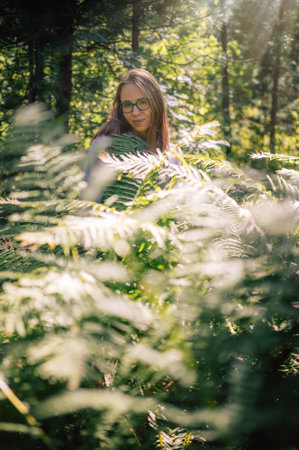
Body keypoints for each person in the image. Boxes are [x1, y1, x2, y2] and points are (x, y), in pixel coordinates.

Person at [83, 68, 172, 208]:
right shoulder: (104, 146)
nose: (135, 113)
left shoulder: (173, 155)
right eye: (127, 105)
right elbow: (86, 207)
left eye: (142, 102)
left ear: (156, 103)